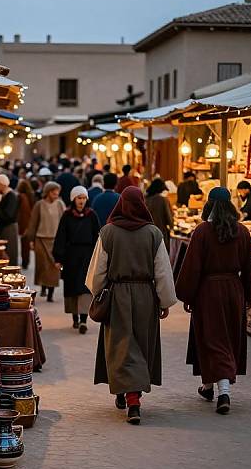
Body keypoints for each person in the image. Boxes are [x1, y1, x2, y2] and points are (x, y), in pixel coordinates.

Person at [86, 187, 176, 424]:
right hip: (146, 296)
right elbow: (163, 272)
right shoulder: (154, 234)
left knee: (120, 345)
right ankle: (131, 396)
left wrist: (98, 293)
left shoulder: (108, 233)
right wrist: (164, 300)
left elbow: (98, 272)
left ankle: (128, 397)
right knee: (139, 345)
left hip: (117, 296)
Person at [175, 187, 251, 415]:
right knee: (226, 338)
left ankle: (223, 391)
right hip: (233, 290)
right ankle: (209, 386)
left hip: (208, 291)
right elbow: (250, 266)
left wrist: (187, 294)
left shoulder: (202, 232)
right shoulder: (241, 231)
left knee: (212, 338)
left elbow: (192, 267)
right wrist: (249, 293)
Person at [53, 186, 100, 333]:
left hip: (87, 256)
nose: (81, 201)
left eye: (84, 198)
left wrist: (98, 256)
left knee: (85, 287)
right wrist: (58, 258)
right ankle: (75, 318)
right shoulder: (67, 215)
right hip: (71, 256)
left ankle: (84, 320)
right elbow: (61, 237)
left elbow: (97, 237)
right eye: (79, 198)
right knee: (72, 286)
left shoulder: (91, 215)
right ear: (74, 199)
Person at [27, 181, 66, 301]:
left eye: (57, 193)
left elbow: (64, 223)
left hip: (56, 240)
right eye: (54, 193)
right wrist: (31, 239)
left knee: (54, 268)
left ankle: (51, 293)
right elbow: (33, 223)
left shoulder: (60, 204)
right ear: (48, 192)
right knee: (43, 266)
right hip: (41, 239)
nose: (56, 195)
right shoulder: (39, 204)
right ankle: (44, 287)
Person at [145, 178, 174, 252]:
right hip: (160, 234)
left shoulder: (146, 200)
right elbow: (170, 220)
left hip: (146, 235)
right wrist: (172, 227)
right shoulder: (163, 200)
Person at [16, 179, 35, 269]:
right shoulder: (29, 196)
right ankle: (25, 261)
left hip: (25, 223)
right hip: (29, 222)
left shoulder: (22, 197)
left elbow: (24, 213)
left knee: (25, 243)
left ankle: (25, 262)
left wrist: (24, 227)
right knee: (26, 244)